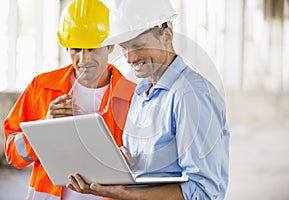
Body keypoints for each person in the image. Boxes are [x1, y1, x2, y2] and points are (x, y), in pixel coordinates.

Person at [67, 0, 230, 199]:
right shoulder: (141, 92)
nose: (129, 58)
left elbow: (203, 193)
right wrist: (121, 163)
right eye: (124, 48)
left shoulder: (190, 95)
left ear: (167, 36)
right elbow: (152, 168)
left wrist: (124, 193)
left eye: (137, 45)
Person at [3, 0, 136, 199]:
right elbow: (12, 153)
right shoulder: (42, 87)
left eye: (92, 49)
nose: (83, 59)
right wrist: (44, 130)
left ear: (110, 45)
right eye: (75, 49)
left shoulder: (133, 96)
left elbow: (147, 161)